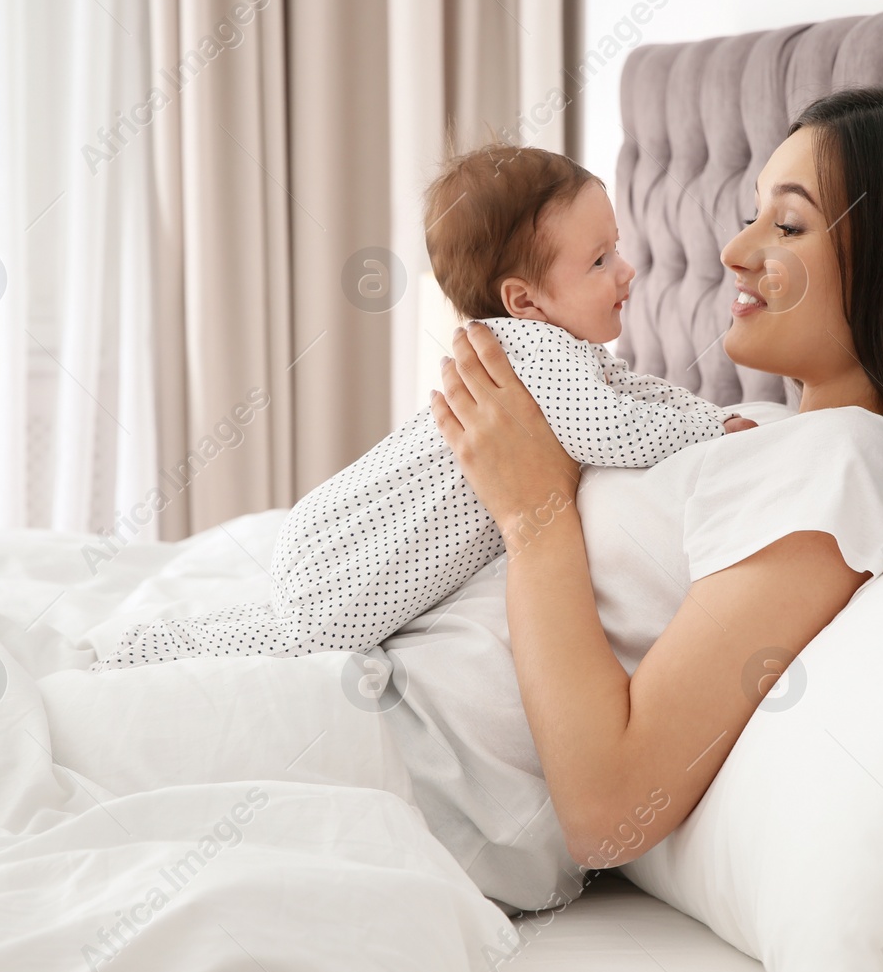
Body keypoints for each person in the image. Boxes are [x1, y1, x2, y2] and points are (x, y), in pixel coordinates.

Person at [426, 83, 883, 875]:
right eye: (754, 213)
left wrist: (533, 514)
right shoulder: (770, 430)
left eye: (787, 223)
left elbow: (610, 810)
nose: (734, 250)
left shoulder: (851, 466)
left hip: (416, 765)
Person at [94, 144, 754, 671]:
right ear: (524, 300)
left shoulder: (554, 352)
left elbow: (632, 392)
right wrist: (708, 427)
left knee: (280, 625)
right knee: (307, 641)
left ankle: (140, 641)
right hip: (348, 544)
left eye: (618, 246)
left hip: (326, 533)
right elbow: (608, 425)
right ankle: (134, 654)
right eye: (601, 259)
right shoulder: (530, 350)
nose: (627, 270)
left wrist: (710, 419)